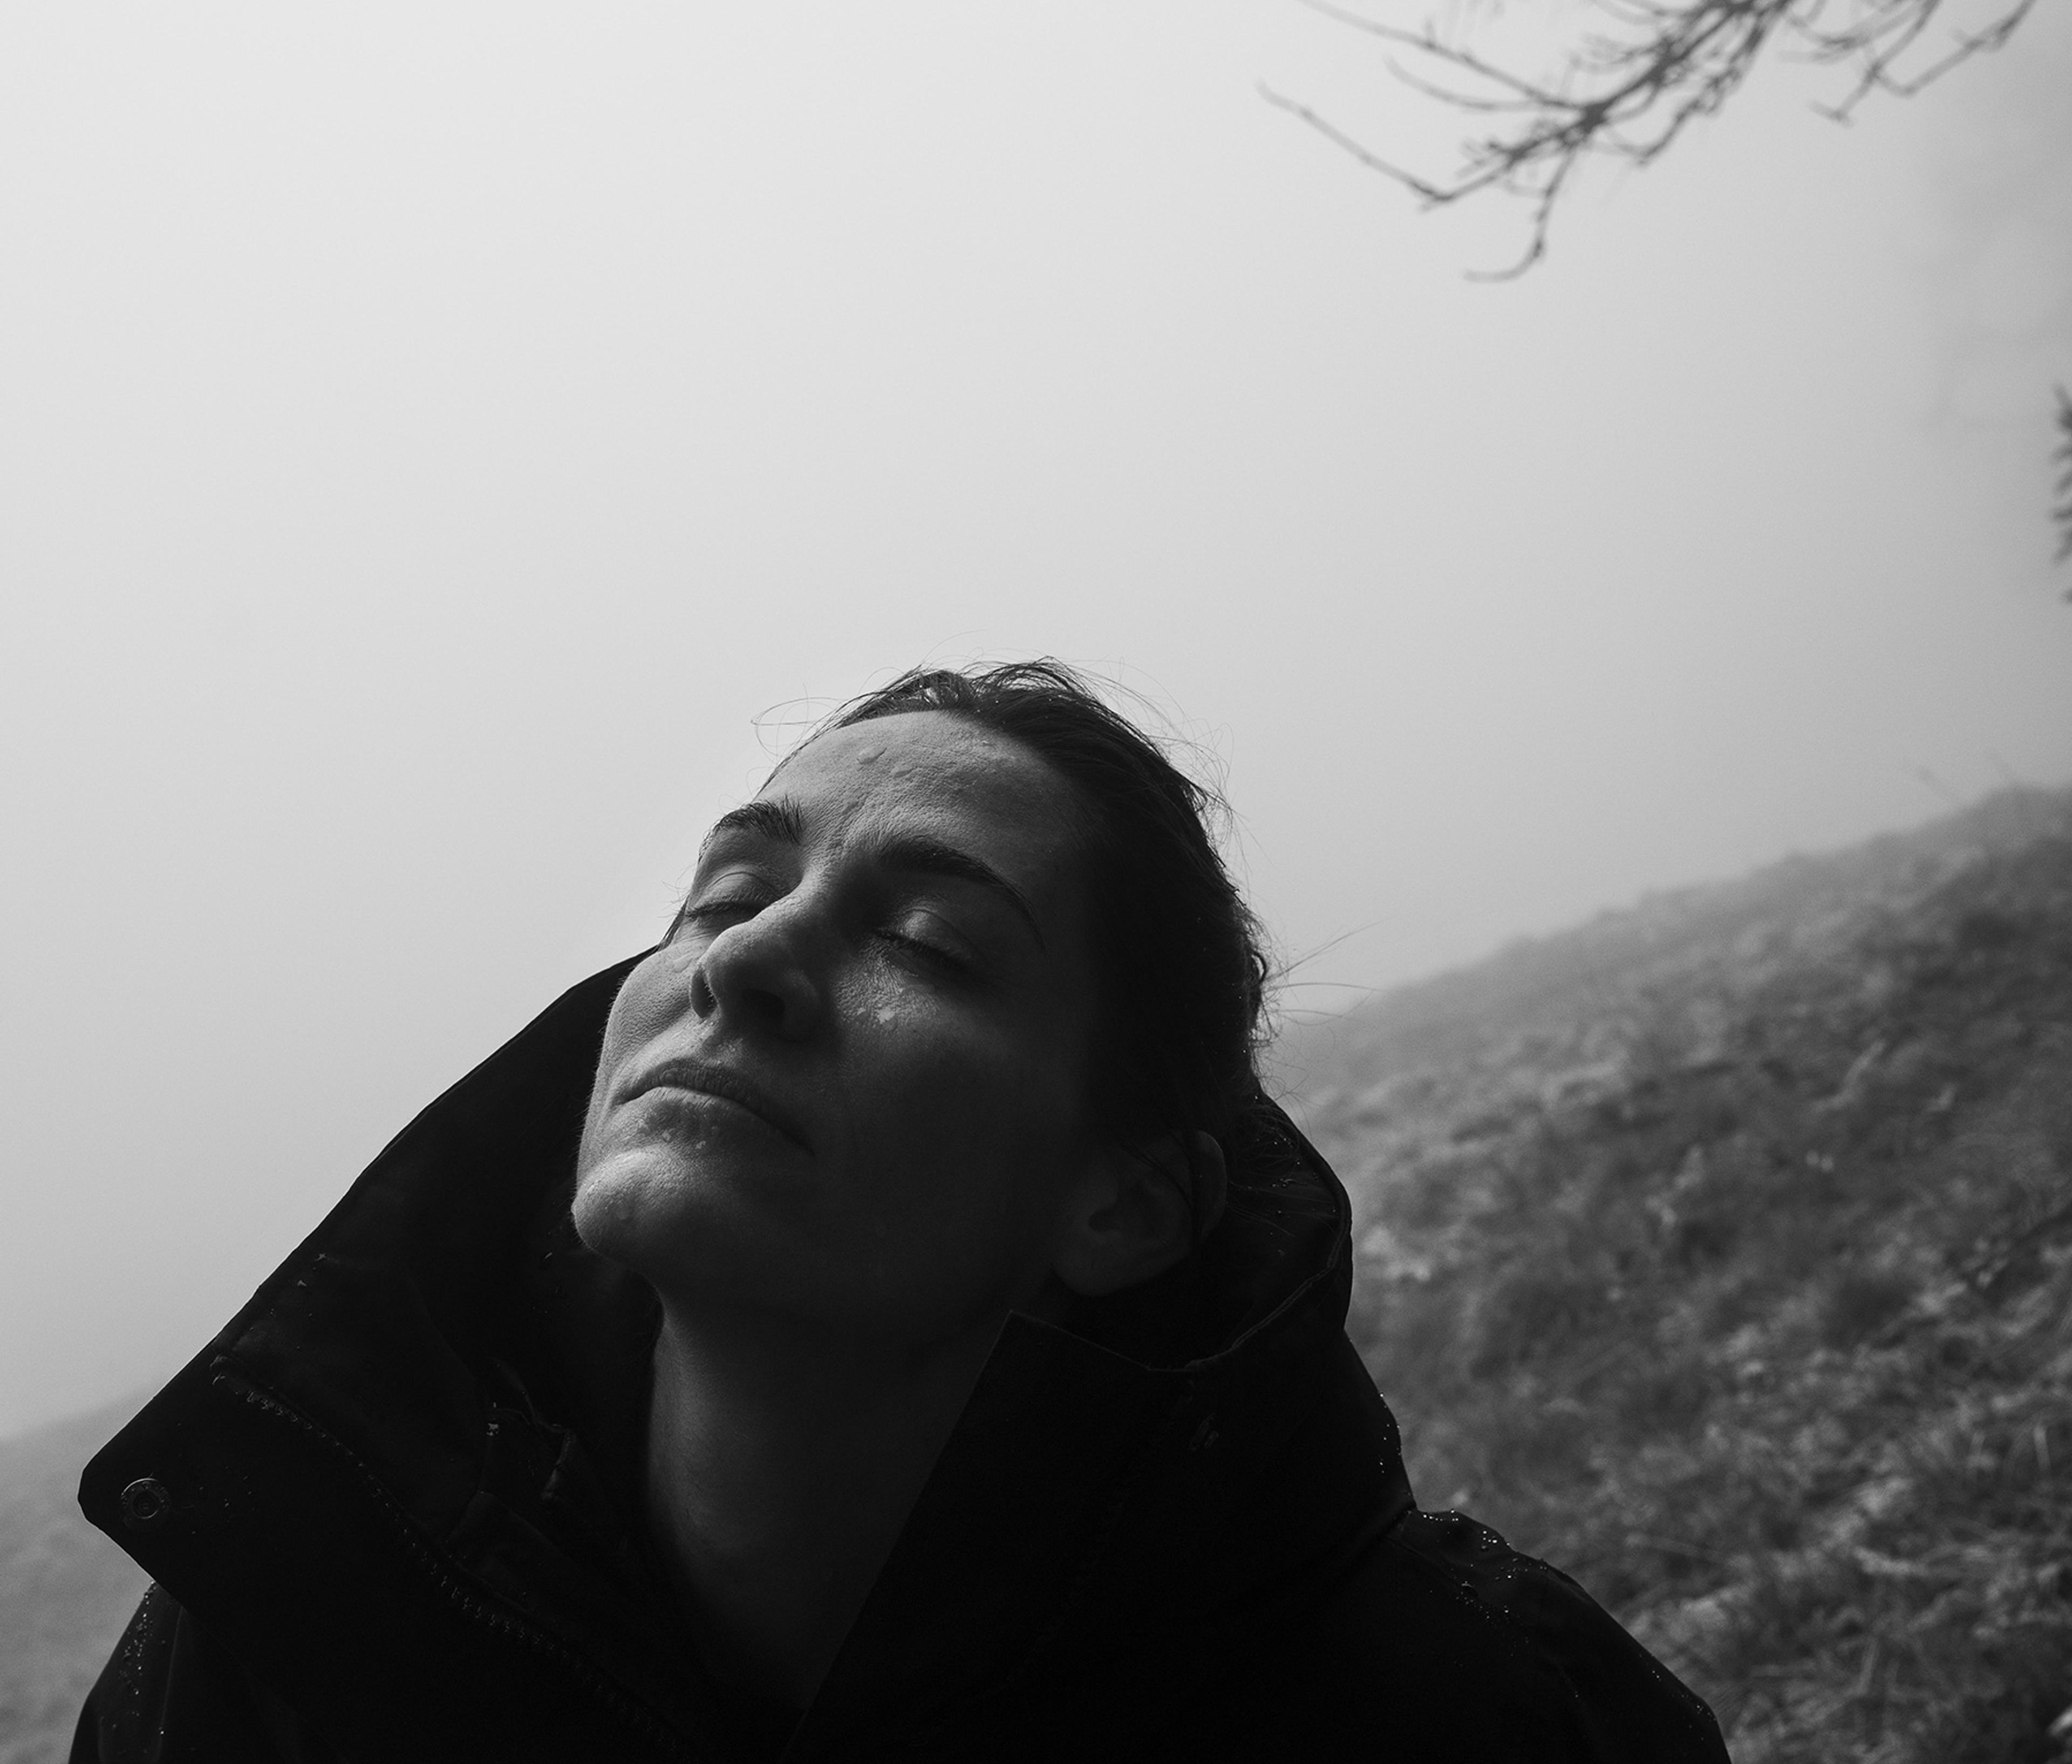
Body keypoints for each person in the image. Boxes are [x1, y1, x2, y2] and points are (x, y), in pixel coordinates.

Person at [73, 660, 1730, 1762]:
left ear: (1128, 1203)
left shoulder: (1467, 1719)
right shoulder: (267, 1647)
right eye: (726, 893)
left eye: (931, 942)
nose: (742, 959)